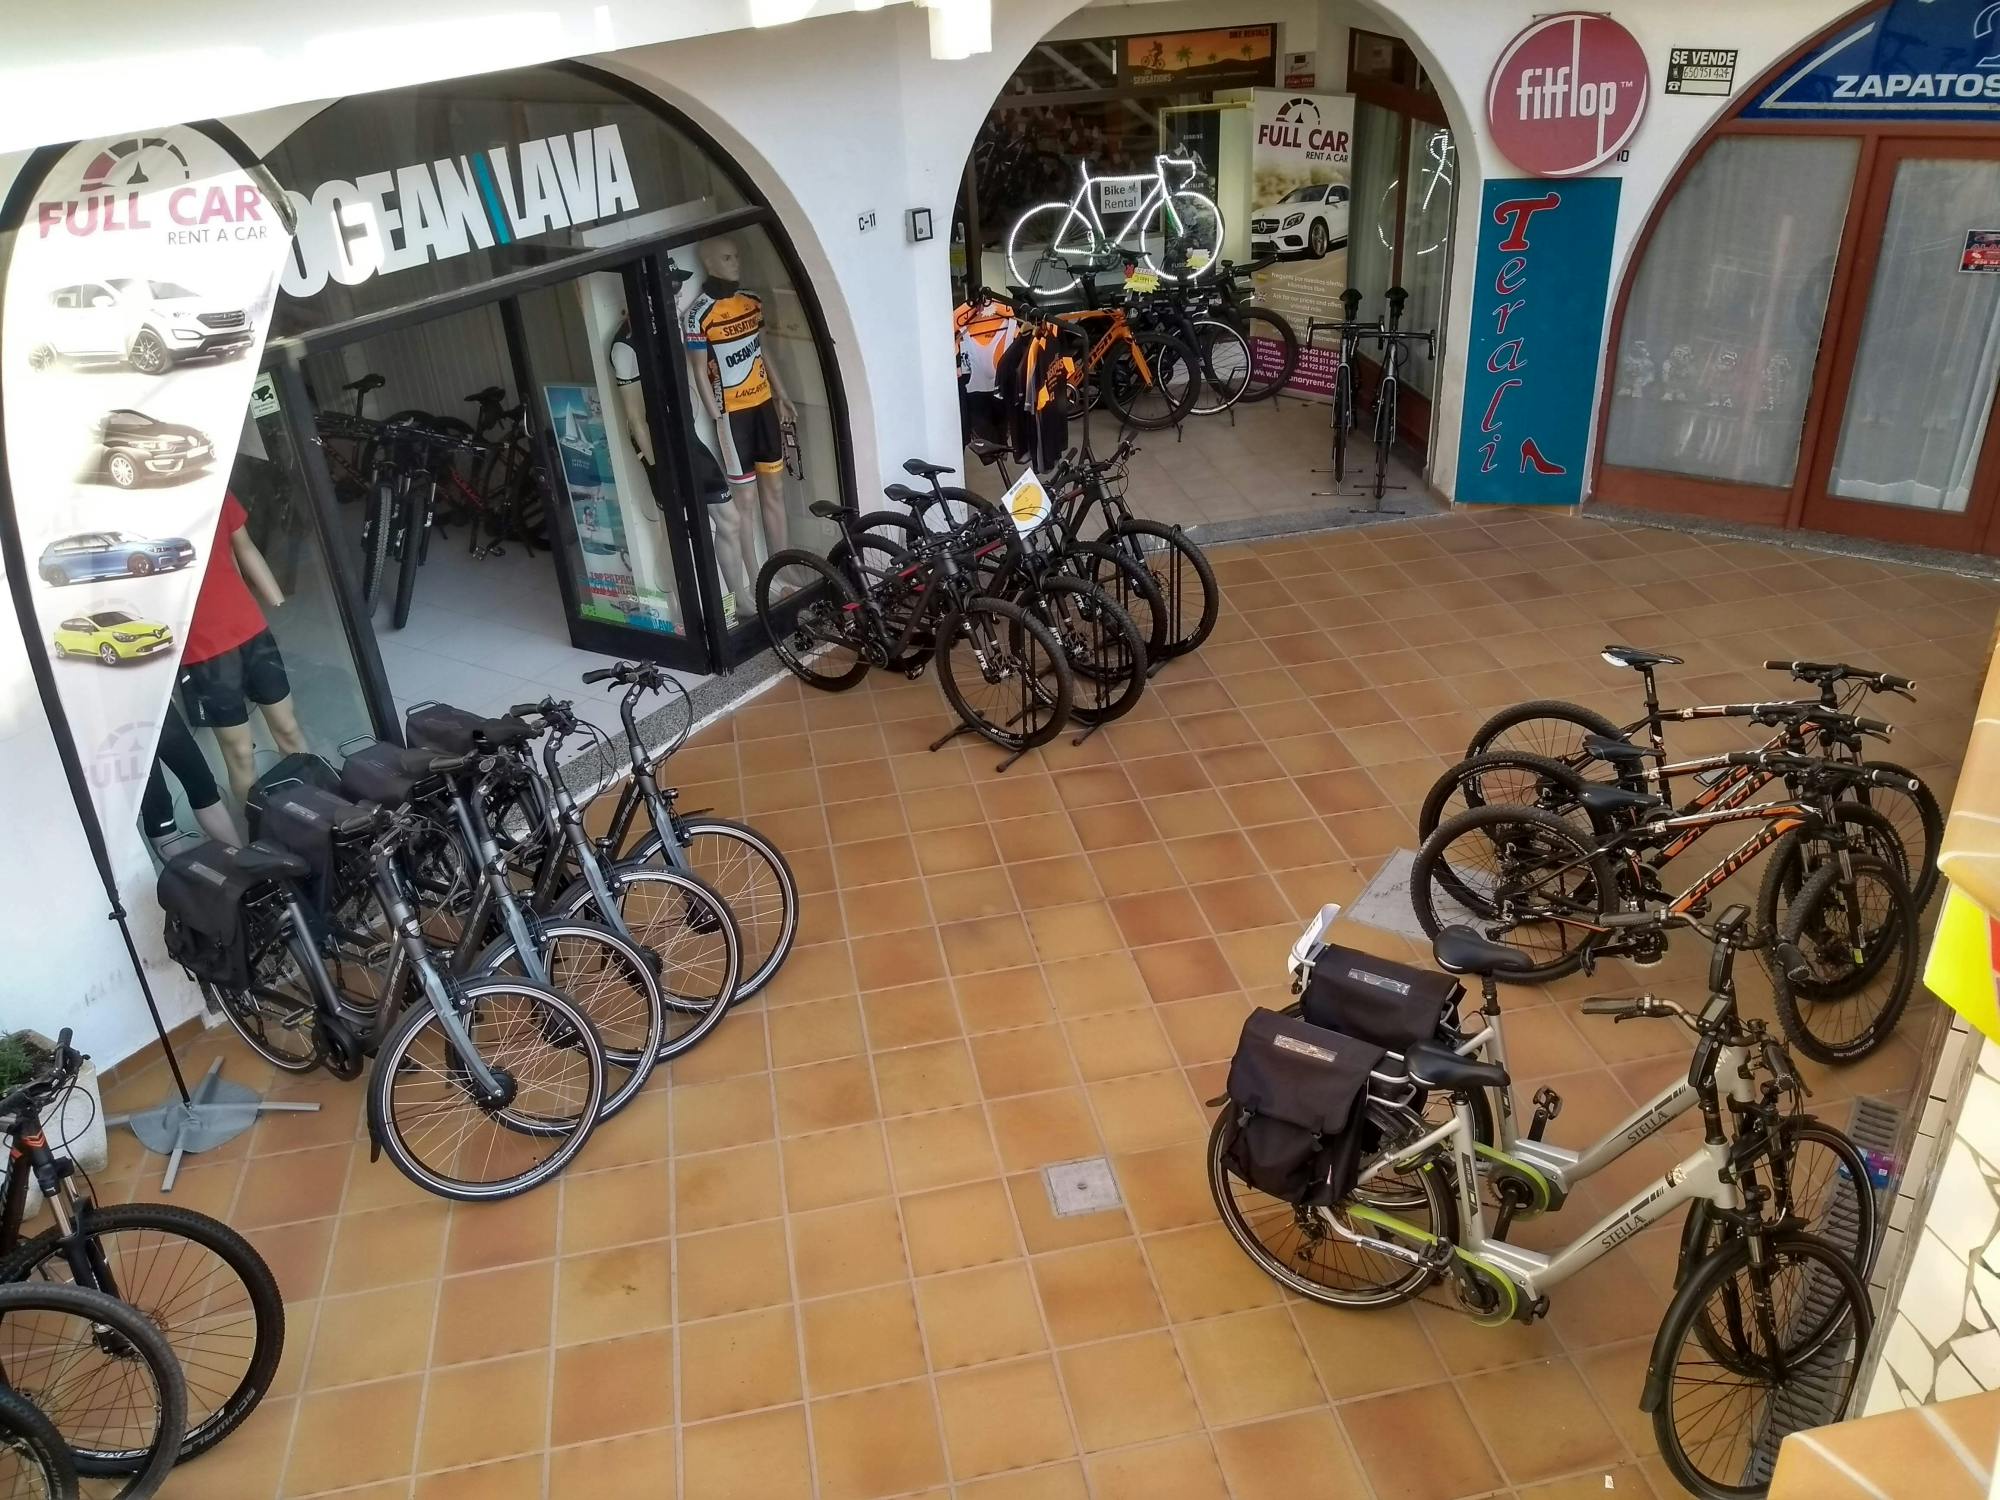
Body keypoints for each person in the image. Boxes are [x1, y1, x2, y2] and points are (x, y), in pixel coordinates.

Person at [178, 491, 307, 803]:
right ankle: (259, 833)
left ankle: (315, 804)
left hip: (250, 629)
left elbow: (243, 545)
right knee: (239, 754)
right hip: (202, 648)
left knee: (288, 728)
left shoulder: (211, 486)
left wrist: (275, 597)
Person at [681, 237, 796, 580]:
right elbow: (699, 369)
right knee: (744, 502)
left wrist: (782, 393)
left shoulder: (752, 302)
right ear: (710, 263)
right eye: (727, 257)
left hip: (763, 406)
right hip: (733, 414)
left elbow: (763, 351)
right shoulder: (698, 315)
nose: (736, 263)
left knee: (775, 491)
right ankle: (759, 575)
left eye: (736, 256)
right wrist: (714, 413)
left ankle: (785, 568)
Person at [139, 697, 238, 849]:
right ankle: (182, 872)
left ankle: (240, 861)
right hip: (108, 714)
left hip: (150, 695)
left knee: (202, 784)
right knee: (158, 808)